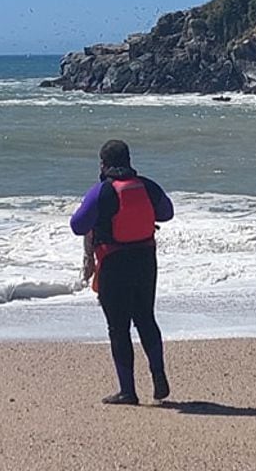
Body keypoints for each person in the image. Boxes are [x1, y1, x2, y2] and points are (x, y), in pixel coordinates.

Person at [70, 139, 173, 405]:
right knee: (146, 319)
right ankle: (158, 374)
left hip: (113, 265)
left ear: (103, 164)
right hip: (145, 261)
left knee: (118, 328)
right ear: (128, 160)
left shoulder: (102, 192)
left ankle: (128, 391)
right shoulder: (148, 186)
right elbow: (167, 213)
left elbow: (78, 226)